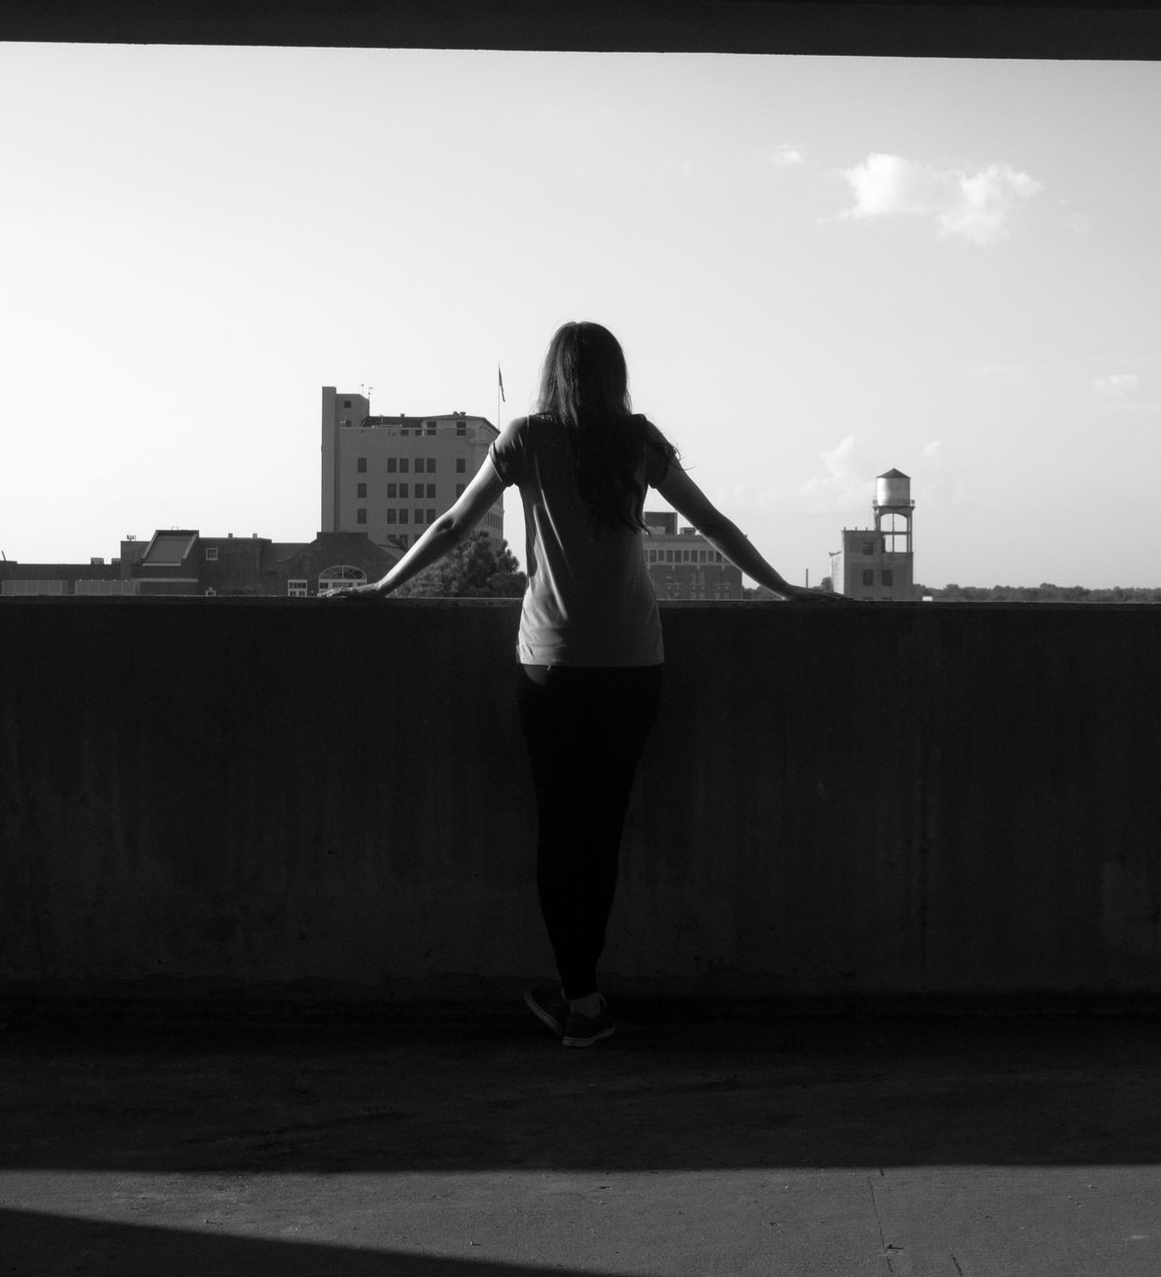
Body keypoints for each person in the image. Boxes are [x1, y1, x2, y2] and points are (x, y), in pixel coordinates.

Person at [340, 320, 835, 1046]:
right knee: (600, 834)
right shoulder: (638, 441)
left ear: (552, 373)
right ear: (614, 374)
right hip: (635, 664)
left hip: (553, 666)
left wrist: (381, 587)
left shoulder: (526, 439)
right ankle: (586, 998)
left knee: (560, 831)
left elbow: (452, 523)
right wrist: (784, 589)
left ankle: (581, 994)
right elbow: (713, 522)